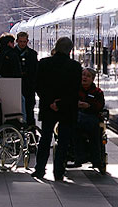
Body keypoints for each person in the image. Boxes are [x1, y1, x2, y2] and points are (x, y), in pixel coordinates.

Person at [32, 36, 81, 181]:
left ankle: (40, 170)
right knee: (64, 141)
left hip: (48, 108)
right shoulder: (75, 67)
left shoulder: (44, 63)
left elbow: (38, 86)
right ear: (70, 50)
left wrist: (50, 102)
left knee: (45, 138)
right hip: (67, 109)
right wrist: (60, 103)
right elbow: (74, 91)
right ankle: (59, 172)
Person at [71, 68, 105, 173]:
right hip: (77, 117)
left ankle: (95, 158)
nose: (84, 77)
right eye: (83, 75)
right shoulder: (74, 90)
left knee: (95, 132)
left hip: (92, 117)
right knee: (74, 127)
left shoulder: (97, 92)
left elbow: (100, 105)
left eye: (88, 76)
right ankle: (79, 155)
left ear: (93, 79)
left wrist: (88, 106)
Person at [16, 31, 38, 126]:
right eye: (20, 41)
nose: (22, 44)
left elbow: (35, 71)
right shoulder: (12, 54)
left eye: (24, 42)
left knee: (29, 112)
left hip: (28, 88)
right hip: (16, 87)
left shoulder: (32, 54)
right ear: (17, 41)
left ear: (27, 41)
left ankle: (31, 130)